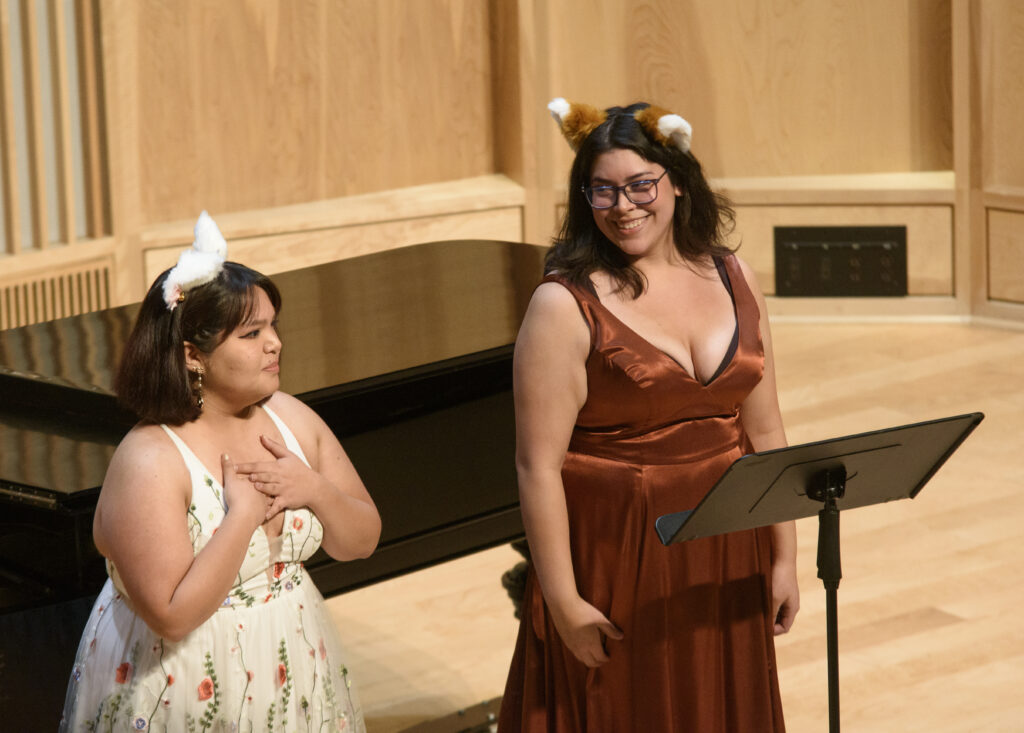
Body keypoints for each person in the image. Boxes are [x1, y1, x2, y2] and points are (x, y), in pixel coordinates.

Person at [498, 99, 799, 731]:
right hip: (619, 548)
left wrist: (784, 558)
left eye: (640, 185)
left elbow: (764, 431)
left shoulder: (733, 274)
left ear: (678, 183)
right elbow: (536, 467)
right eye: (602, 191)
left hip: (726, 537)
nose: (623, 206)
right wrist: (562, 601)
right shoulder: (562, 304)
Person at [60, 212, 380, 731]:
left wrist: (314, 489)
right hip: (183, 684)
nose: (274, 342)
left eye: (273, 325)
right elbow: (171, 614)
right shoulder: (150, 459)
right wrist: (243, 516)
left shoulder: (291, 417)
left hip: (295, 660)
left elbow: (362, 540)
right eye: (252, 333)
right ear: (193, 356)